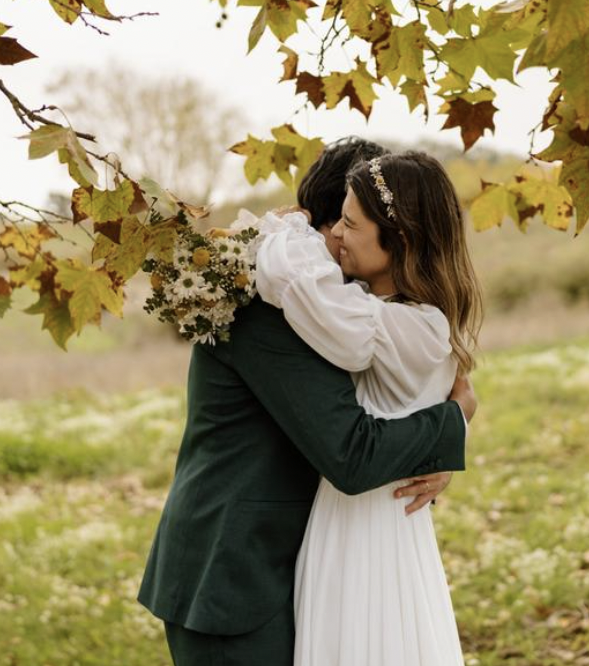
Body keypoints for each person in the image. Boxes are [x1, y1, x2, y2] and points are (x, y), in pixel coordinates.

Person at [135, 138, 477, 665]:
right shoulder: (272, 310)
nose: (343, 238)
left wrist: (438, 439)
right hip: (237, 575)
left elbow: (401, 364)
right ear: (323, 219)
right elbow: (352, 451)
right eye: (342, 220)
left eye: (356, 222)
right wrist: (449, 426)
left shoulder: (333, 306)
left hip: (291, 562)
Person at [255, 149, 482, 665]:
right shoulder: (402, 315)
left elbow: (298, 285)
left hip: (366, 526)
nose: (335, 234)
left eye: (350, 224)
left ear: (399, 240)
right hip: (370, 517)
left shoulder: (397, 326)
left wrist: (290, 232)